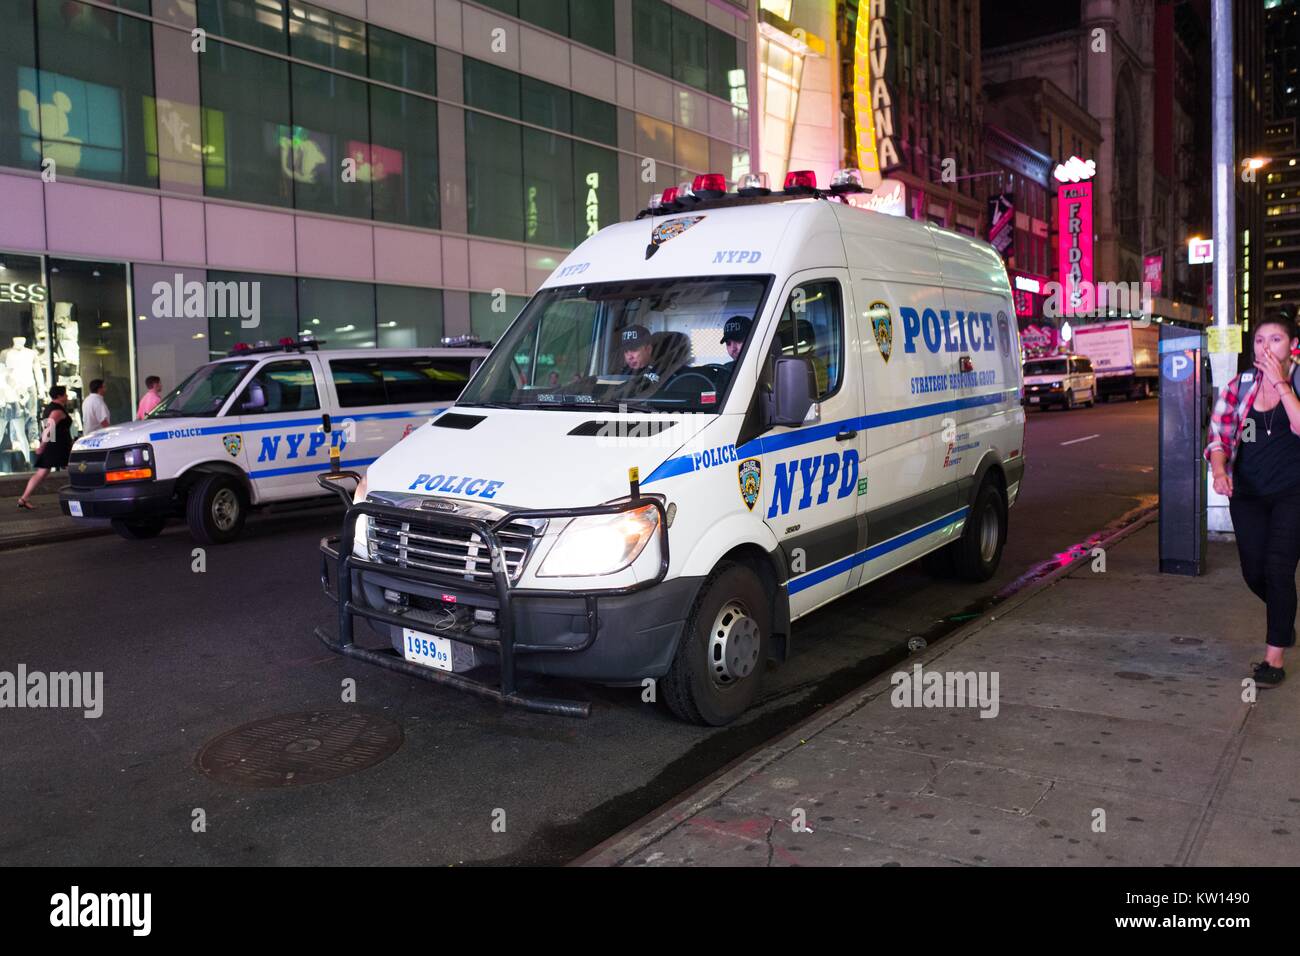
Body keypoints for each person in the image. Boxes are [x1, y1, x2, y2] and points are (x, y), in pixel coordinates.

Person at [1205, 311, 1300, 688]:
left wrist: (1282, 386)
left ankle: (1273, 659)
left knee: (1278, 569)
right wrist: (1219, 470)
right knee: (1254, 572)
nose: (1266, 347)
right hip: (1247, 494)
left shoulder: (1297, 381)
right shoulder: (1240, 386)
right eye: (1260, 340)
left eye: (1274, 340)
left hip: (1293, 493)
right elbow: (1220, 435)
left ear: (1292, 346)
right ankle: (1283, 615)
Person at [16, 385, 72, 510]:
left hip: (54, 446)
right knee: (72, 468)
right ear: (59, 396)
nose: (67, 396)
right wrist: (42, 446)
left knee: (42, 472)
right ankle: (79, 494)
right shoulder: (57, 411)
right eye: (65, 394)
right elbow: (48, 429)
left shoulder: (50, 408)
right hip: (57, 447)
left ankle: (24, 498)